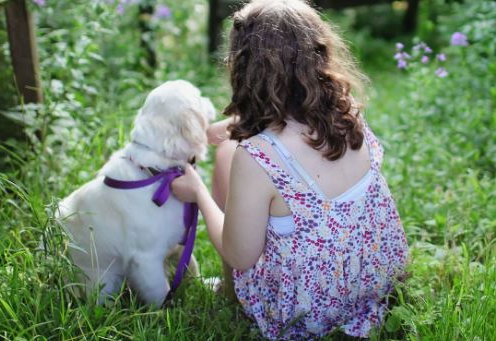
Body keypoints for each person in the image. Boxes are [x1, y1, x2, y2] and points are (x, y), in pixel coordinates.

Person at [171, 0, 409, 338]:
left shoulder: (256, 157)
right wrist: (237, 124)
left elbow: (241, 255)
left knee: (226, 153)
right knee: (231, 148)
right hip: (373, 281)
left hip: (306, 311)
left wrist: (198, 194)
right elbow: (292, 128)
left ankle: (230, 291)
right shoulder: (348, 111)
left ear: (245, 67)